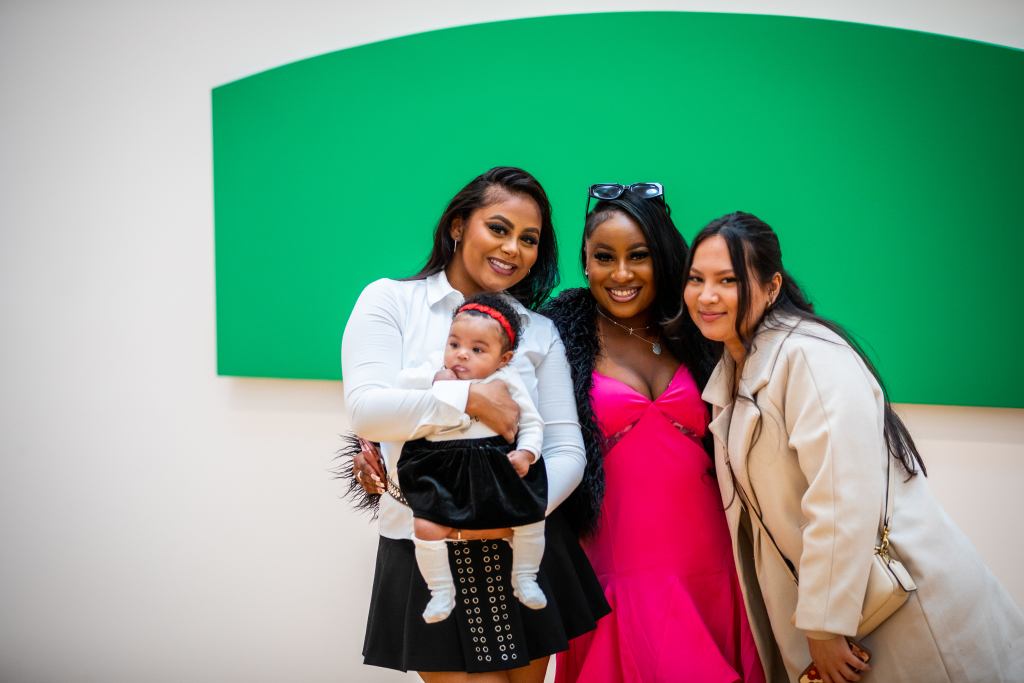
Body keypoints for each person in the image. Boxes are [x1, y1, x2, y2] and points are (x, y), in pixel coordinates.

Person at [676, 211, 1024, 683]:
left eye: (728, 280)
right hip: (855, 613)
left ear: (773, 286)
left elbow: (841, 495)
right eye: (696, 279)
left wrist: (822, 625)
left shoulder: (810, 357)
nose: (707, 296)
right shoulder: (736, 372)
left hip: (899, 607)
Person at [341, 167, 610, 682]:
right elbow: (367, 409)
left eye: (529, 239)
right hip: (428, 547)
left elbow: (566, 448)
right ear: (459, 226)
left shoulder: (539, 332)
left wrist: (512, 510)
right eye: (499, 228)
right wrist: (474, 400)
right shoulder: (391, 301)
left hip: (523, 542)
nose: (513, 248)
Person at [543, 184, 767, 682]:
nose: (621, 274)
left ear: (663, 259)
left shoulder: (699, 331)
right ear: (585, 260)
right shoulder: (554, 339)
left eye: (638, 256)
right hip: (616, 570)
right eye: (605, 257)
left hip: (714, 564)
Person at [394, 292, 549, 623]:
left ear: (503, 359)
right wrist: (433, 378)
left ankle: (525, 577)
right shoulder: (437, 367)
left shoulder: (506, 378)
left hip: (496, 463)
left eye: (478, 350)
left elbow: (532, 421)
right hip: (439, 463)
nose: (461, 354)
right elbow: (401, 382)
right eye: (455, 344)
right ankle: (440, 592)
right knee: (425, 524)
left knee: (531, 517)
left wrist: (527, 451)